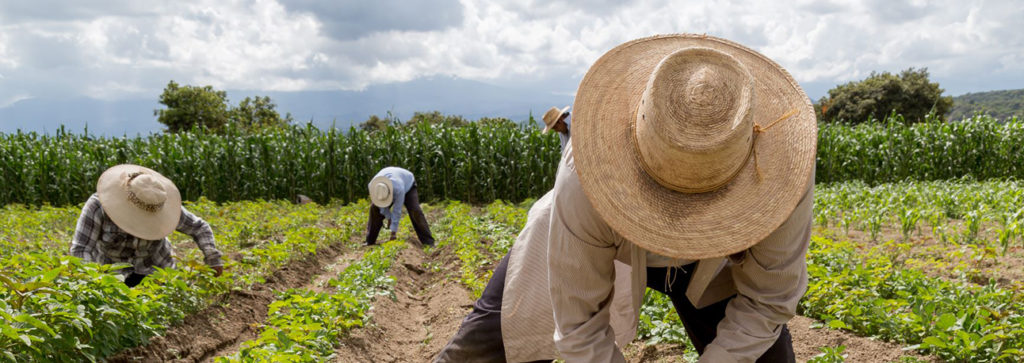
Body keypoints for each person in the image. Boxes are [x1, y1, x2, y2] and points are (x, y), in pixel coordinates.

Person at [435, 34, 817, 362]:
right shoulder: (585, 176)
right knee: (488, 342)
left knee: (765, 357)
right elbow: (578, 326)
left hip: (712, 265)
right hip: (603, 236)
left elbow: (767, 301)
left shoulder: (785, 168)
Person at [69, 164, 224, 287]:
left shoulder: (158, 203)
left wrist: (213, 259)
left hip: (156, 272)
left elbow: (199, 228)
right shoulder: (99, 206)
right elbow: (81, 249)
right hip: (112, 277)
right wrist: (93, 283)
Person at [365, 166, 435, 247]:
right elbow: (381, 206)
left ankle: (429, 242)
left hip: (408, 184)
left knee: (415, 210)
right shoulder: (372, 186)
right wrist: (388, 217)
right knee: (374, 209)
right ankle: (370, 241)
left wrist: (393, 232)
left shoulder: (398, 188)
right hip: (391, 183)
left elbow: (397, 210)